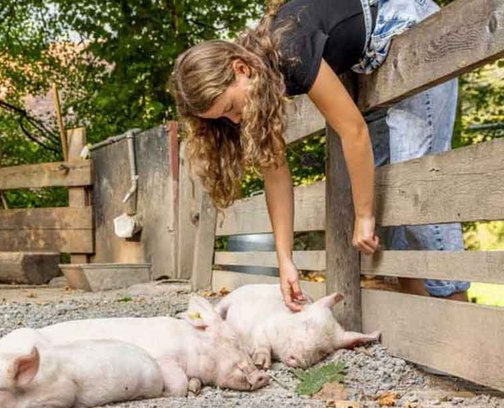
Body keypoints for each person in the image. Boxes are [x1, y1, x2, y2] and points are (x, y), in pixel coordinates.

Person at [169, 0, 470, 310]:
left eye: (231, 108)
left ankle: (461, 324)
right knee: (386, 200)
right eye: (224, 118)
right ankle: (423, 324)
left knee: (414, 191)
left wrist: (363, 216)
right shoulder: (264, 81)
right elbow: (275, 173)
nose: (235, 120)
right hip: (371, 62)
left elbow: (353, 131)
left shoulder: (289, 50)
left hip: (407, 24)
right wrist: (285, 261)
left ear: (241, 69)